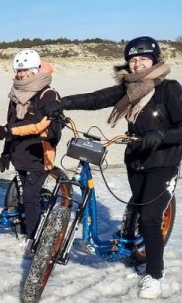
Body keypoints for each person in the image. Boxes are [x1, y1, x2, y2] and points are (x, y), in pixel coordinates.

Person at [44, 36, 182, 299]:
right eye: (132, 60)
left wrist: (161, 136)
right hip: (136, 159)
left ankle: (154, 275)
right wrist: (62, 103)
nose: (137, 64)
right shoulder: (129, 89)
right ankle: (136, 243)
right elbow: (96, 98)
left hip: (164, 162)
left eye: (143, 59)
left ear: (155, 61)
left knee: (151, 218)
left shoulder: (169, 89)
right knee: (139, 206)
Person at [0, 49, 62, 253]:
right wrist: (5, 151)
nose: (21, 75)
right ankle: (30, 226)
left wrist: (8, 130)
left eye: (25, 71)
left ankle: (34, 237)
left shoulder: (48, 94)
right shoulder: (15, 95)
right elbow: (11, 123)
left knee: (30, 197)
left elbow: (39, 124)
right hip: (19, 154)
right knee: (24, 197)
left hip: (40, 154)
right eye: (18, 71)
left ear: (35, 70)